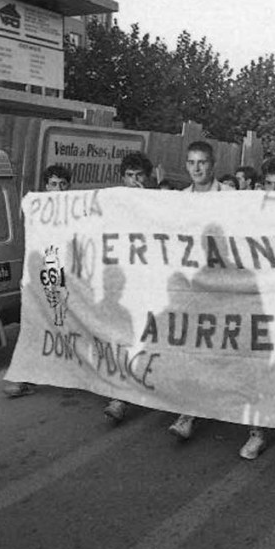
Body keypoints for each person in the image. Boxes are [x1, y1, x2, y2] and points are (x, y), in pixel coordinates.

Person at [234, 156, 275, 460]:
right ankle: (256, 432)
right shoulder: (251, 215)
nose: (274, 191)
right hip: (258, 303)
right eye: (269, 185)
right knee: (255, 367)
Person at [169, 141, 234, 441]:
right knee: (193, 349)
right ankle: (189, 412)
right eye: (192, 162)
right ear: (186, 165)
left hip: (224, 285)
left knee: (227, 350)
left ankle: (239, 408)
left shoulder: (232, 198)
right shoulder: (180, 200)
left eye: (202, 162)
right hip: (195, 286)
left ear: (213, 164)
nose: (197, 168)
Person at [4, 165, 72, 398]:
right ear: (45, 186)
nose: (58, 189)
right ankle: (24, 377)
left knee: (67, 324)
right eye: (53, 184)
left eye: (63, 184)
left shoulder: (75, 213)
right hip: (41, 277)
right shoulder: (37, 209)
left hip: (68, 278)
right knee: (35, 325)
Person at [102, 152, 156, 422]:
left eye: (139, 176)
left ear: (148, 178)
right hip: (124, 285)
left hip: (152, 286)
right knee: (125, 338)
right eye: (130, 176)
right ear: (122, 178)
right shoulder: (114, 204)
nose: (134, 181)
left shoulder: (160, 204)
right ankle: (120, 396)